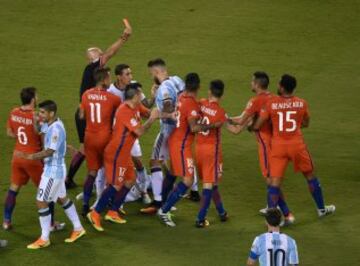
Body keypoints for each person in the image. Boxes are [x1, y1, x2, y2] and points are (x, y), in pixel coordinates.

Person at [253, 74, 335, 218]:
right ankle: (321, 209)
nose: (277, 86)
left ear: (282, 87)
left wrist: (251, 125)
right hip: (297, 145)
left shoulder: (272, 103)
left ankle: (273, 219)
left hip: (278, 147)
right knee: (310, 176)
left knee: (274, 184)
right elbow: (306, 123)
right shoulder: (302, 103)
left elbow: (258, 125)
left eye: (279, 84)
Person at [66, 19, 132, 188]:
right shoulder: (93, 67)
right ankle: (106, 183)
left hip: (83, 111)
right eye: (100, 53)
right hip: (87, 114)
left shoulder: (93, 72)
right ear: (95, 57)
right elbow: (110, 53)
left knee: (85, 148)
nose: (103, 55)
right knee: (98, 149)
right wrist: (124, 38)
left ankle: (70, 179)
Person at [87, 84, 161, 231]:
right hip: (116, 154)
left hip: (124, 153)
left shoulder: (136, 107)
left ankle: (113, 211)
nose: (142, 96)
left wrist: (169, 114)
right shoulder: (124, 111)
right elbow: (139, 131)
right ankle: (95, 214)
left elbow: (151, 112)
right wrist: (152, 119)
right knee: (116, 184)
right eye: (141, 94)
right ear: (135, 96)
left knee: (130, 180)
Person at [15, 100, 85, 249]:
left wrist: (29, 157)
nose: (40, 115)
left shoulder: (56, 129)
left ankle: (44, 238)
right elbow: (39, 131)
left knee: (41, 201)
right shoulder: (52, 124)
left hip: (53, 170)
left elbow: (49, 151)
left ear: (51, 113)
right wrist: (35, 122)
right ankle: (78, 228)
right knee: (61, 198)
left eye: (42, 113)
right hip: (55, 168)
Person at [157, 73, 222, 227]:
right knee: (188, 179)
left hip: (175, 140)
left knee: (175, 173)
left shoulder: (182, 98)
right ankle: (164, 210)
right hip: (181, 145)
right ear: (199, 86)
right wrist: (212, 125)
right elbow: (193, 128)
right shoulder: (192, 104)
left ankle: (164, 205)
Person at [232, 72, 293, 223]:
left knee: (271, 181)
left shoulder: (255, 101)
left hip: (266, 145)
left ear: (257, 84)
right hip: (278, 142)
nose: (250, 83)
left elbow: (240, 121)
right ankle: (277, 209)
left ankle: (286, 214)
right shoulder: (274, 98)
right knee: (274, 180)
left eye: (252, 81)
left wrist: (222, 118)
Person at [3, 87, 64, 232]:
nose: (37, 99)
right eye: (36, 96)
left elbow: (9, 133)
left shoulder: (14, 112)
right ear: (32, 100)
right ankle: (50, 224)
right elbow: (44, 139)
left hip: (17, 156)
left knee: (14, 188)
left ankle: (6, 221)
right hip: (33, 159)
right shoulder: (37, 116)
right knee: (47, 193)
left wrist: (20, 137)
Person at [195, 80, 244, 227]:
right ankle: (200, 219)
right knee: (209, 184)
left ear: (210, 91)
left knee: (213, 181)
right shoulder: (221, 113)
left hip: (198, 149)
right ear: (222, 95)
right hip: (212, 152)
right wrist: (247, 121)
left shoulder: (201, 103)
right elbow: (235, 130)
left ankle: (222, 212)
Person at [79, 67, 121, 216]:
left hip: (89, 137)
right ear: (103, 80)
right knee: (110, 171)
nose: (110, 81)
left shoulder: (86, 95)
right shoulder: (113, 98)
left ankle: (85, 204)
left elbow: (82, 116)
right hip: (105, 138)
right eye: (108, 78)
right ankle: (109, 203)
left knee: (91, 172)